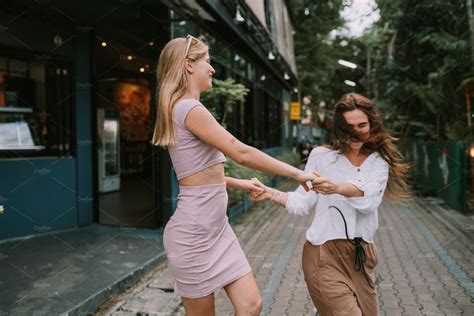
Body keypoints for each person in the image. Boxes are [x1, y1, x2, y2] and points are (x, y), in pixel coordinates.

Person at [151, 35, 317, 316]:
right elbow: (241, 152)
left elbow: (195, 174)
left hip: (217, 229)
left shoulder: (181, 108)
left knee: (251, 305)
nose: (212, 68)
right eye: (207, 61)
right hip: (194, 235)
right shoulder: (189, 108)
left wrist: (238, 181)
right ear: (189, 65)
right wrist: (297, 173)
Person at [251, 93, 411, 316]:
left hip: (362, 257)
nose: (356, 132)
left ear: (372, 124)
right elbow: (302, 202)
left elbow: (370, 202)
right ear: (338, 128)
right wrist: (270, 193)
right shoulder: (321, 156)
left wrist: (337, 187)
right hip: (324, 254)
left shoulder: (379, 162)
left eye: (362, 125)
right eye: (348, 127)